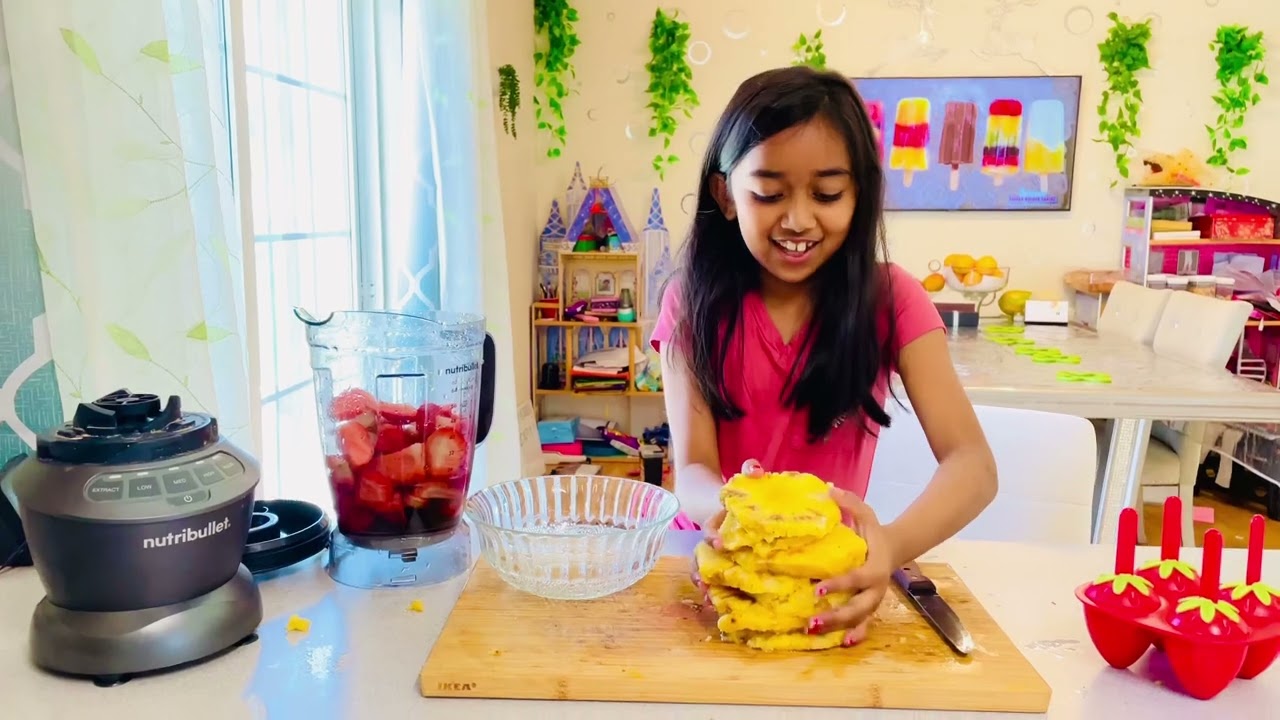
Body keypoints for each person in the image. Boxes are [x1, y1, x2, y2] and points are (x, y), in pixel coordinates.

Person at [648, 66, 998, 646]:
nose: (799, 219)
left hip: (824, 576)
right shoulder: (691, 301)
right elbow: (693, 469)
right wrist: (733, 514)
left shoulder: (893, 300)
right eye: (768, 193)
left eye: (827, 193)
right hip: (709, 554)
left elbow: (973, 467)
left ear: (860, 193)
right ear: (725, 195)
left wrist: (887, 547)